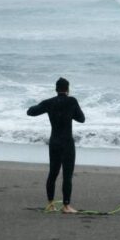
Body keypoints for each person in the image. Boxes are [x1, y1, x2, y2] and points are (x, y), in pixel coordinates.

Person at [27, 77, 85, 214]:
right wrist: (70, 114)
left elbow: (30, 112)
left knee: (53, 174)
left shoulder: (49, 103)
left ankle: (50, 204)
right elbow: (82, 119)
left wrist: (43, 106)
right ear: (68, 89)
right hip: (67, 143)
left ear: (56, 89)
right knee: (67, 175)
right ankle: (66, 206)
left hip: (54, 142)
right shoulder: (72, 101)